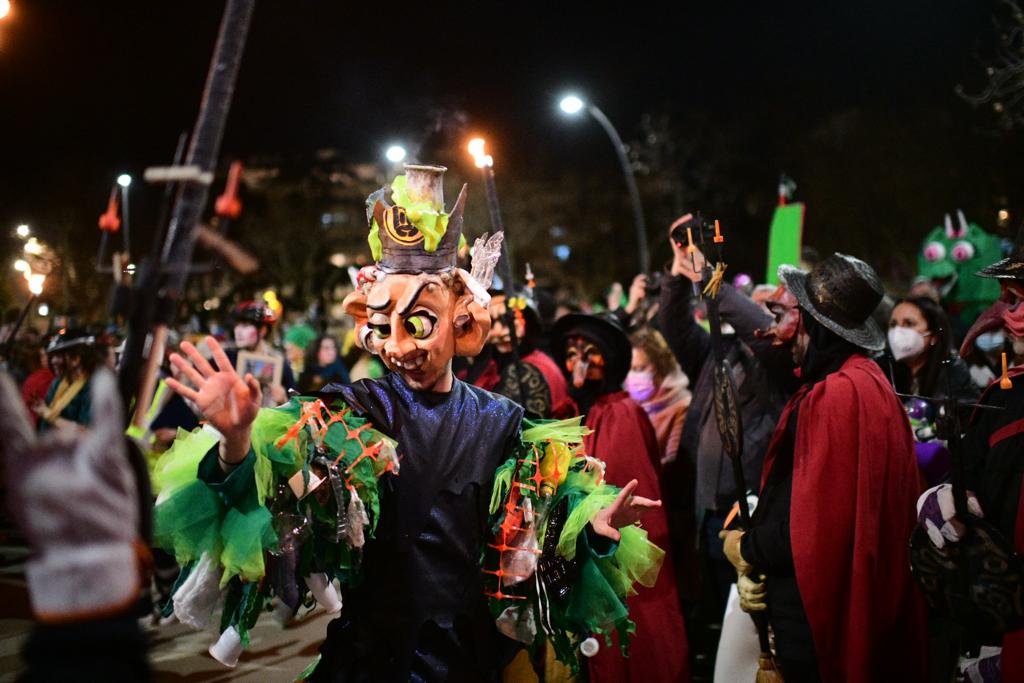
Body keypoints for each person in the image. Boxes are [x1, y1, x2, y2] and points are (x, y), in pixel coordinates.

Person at [155, 165, 666, 680]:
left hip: (466, 658)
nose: (398, 347)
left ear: (461, 320)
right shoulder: (352, 411)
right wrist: (238, 440)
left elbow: (538, 540)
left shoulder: (501, 422)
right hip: (369, 658)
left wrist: (588, 528)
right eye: (382, 327)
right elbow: (274, 488)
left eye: (418, 324)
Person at [720, 253, 928, 682]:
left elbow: (813, 526)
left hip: (816, 620)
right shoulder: (867, 381)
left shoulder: (837, 394)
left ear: (816, 326)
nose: (788, 334)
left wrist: (748, 548)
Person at [658, 215, 795, 628]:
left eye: (771, 309)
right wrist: (678, 275)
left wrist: (708, 278)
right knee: (713, 618)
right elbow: (674, 326)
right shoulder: (716, 351)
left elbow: (760, 330)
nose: (759, 315)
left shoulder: (782, 363)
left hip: (750, 514)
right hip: (706, 515)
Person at [552, 312, 690, 683]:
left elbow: (631, 491)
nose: (578, 362)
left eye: (590, 351)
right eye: (571, 352)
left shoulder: (622, 413)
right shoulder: (578, 410)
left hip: (619, 559)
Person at [916, 228, 1024, 681]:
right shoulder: (1009, 392)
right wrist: (941, 499)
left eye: (1016, 301)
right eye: (1006, 299)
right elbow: (976, 477)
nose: (1004, 315)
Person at [884, 296, 978, 485]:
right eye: (893, 324)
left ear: (933, 335)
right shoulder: (883, 368)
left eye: (909, 323)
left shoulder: (952, 371)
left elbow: (965, 426)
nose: (898, 332)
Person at [479, 289, 574, 418]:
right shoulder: (493, 366)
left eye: (506, 321)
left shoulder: (525, 370)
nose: (498, 332)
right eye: (492, 322)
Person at [626, 327, 690, 466]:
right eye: (631, 369)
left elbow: (672, 463)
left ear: (661, 368)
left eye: (640, 369)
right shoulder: (631, 405)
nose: (633, 376)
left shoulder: (681, 406)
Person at [226, 300, 296, 405]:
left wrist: (284, 399)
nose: (238, 331)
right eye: (237, 325)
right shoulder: (227, 357)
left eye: (245, 325)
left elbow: (296, 399)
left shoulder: (280, 363)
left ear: (262, 331)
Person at [33, 330, 99, 431]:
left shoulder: (92, 388)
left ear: (76, 359)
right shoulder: (58, 382)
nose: (53, 361)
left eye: (58, 356)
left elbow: (85, 432)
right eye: (52, 356)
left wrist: (47, 414)